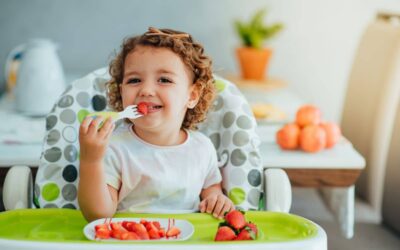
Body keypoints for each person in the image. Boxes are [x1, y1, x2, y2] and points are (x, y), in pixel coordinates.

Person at [78, 27, 234, 222]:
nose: (146, 90)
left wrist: (216, 200)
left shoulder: (202, 148)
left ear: (192, 95)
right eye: (134, 80)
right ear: (121, 92)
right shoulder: (114, 147)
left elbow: (211, 189)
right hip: (131, 238)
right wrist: (91, 160)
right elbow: (98, 215)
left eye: (164, 79)